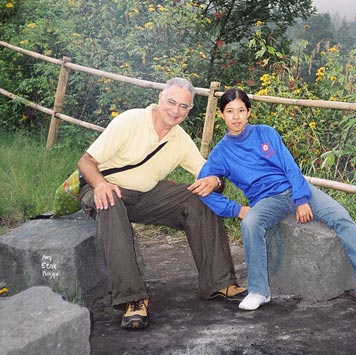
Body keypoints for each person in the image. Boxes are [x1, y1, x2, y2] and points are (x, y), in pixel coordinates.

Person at [190, 88, 356, 311]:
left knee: (340, 216)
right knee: (251, 223)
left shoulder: (266, 133)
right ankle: (259, 290)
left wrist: (301, 198)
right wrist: (234, 209)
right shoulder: (221, 152)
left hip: (297, 188)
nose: (236, 117)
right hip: (267, 200)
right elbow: (200, 187)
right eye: (230, 111)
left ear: (249, 113)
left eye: (241, 110)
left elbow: (290, 167)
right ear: (221, 115)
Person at [77, 77, 247, 329]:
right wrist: (100, 184)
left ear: (189, 111)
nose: (175, 110)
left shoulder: (180, 139)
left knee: (199, 198)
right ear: (160, 99)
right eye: (171, 102)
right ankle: (133, 299)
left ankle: (219, 282)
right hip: (105, 188)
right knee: (110, 201)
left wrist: (214, 181)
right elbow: (85, 162)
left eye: (183, 107)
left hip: (147, 195)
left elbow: (208, 172)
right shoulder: (130, 121)